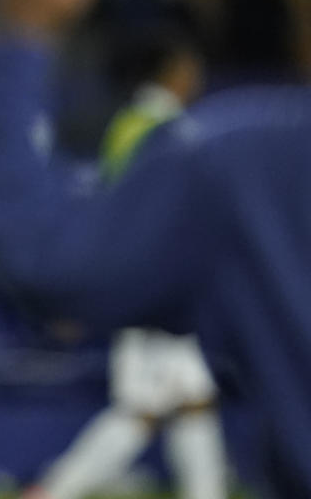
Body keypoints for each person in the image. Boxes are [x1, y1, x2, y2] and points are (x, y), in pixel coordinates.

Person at [0, 0, 311, 499]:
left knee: (173, 407)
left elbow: (47, 253)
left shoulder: (215, 140)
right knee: (164, 407)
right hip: (166, 278)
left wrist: (16, 39)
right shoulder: (170, 126)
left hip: (163, 264)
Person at [25, 32, 228, 499]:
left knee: (188, 399)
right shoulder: (159, 125)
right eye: (188, 66)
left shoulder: (140, 122)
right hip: (156, 280)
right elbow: (154, 209)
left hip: (149, 275)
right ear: (171, 71)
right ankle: (53, 491)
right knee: (146, 407)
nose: (195, 76)